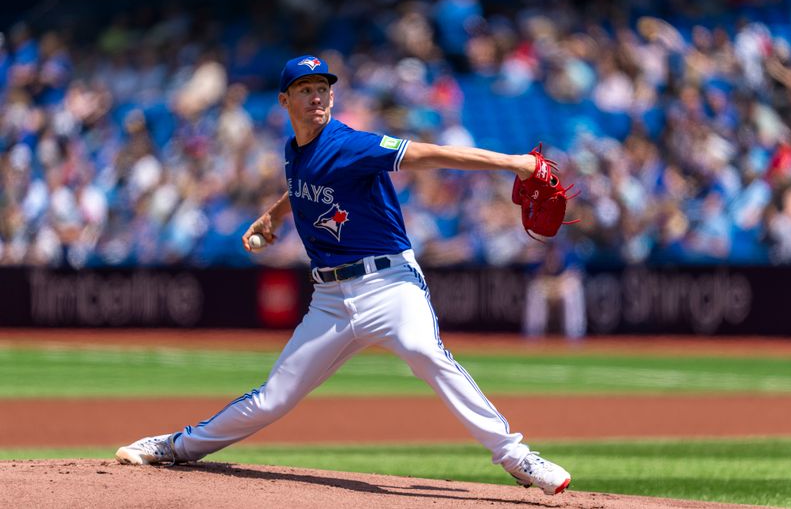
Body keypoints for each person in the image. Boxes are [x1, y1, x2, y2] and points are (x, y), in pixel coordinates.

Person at [115, 55, 571, 496]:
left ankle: (517, 457)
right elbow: (303, 184)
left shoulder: (351, 144)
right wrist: (274, 216)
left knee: (423, 351)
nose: (317, 97)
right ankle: (176, 446)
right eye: (305, 90)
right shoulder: (295, 150)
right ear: (284, 101)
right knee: (274, 398)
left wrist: (517, 163)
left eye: (323, 89)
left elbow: (429, 154)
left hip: (390, 285)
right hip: (330, 300)